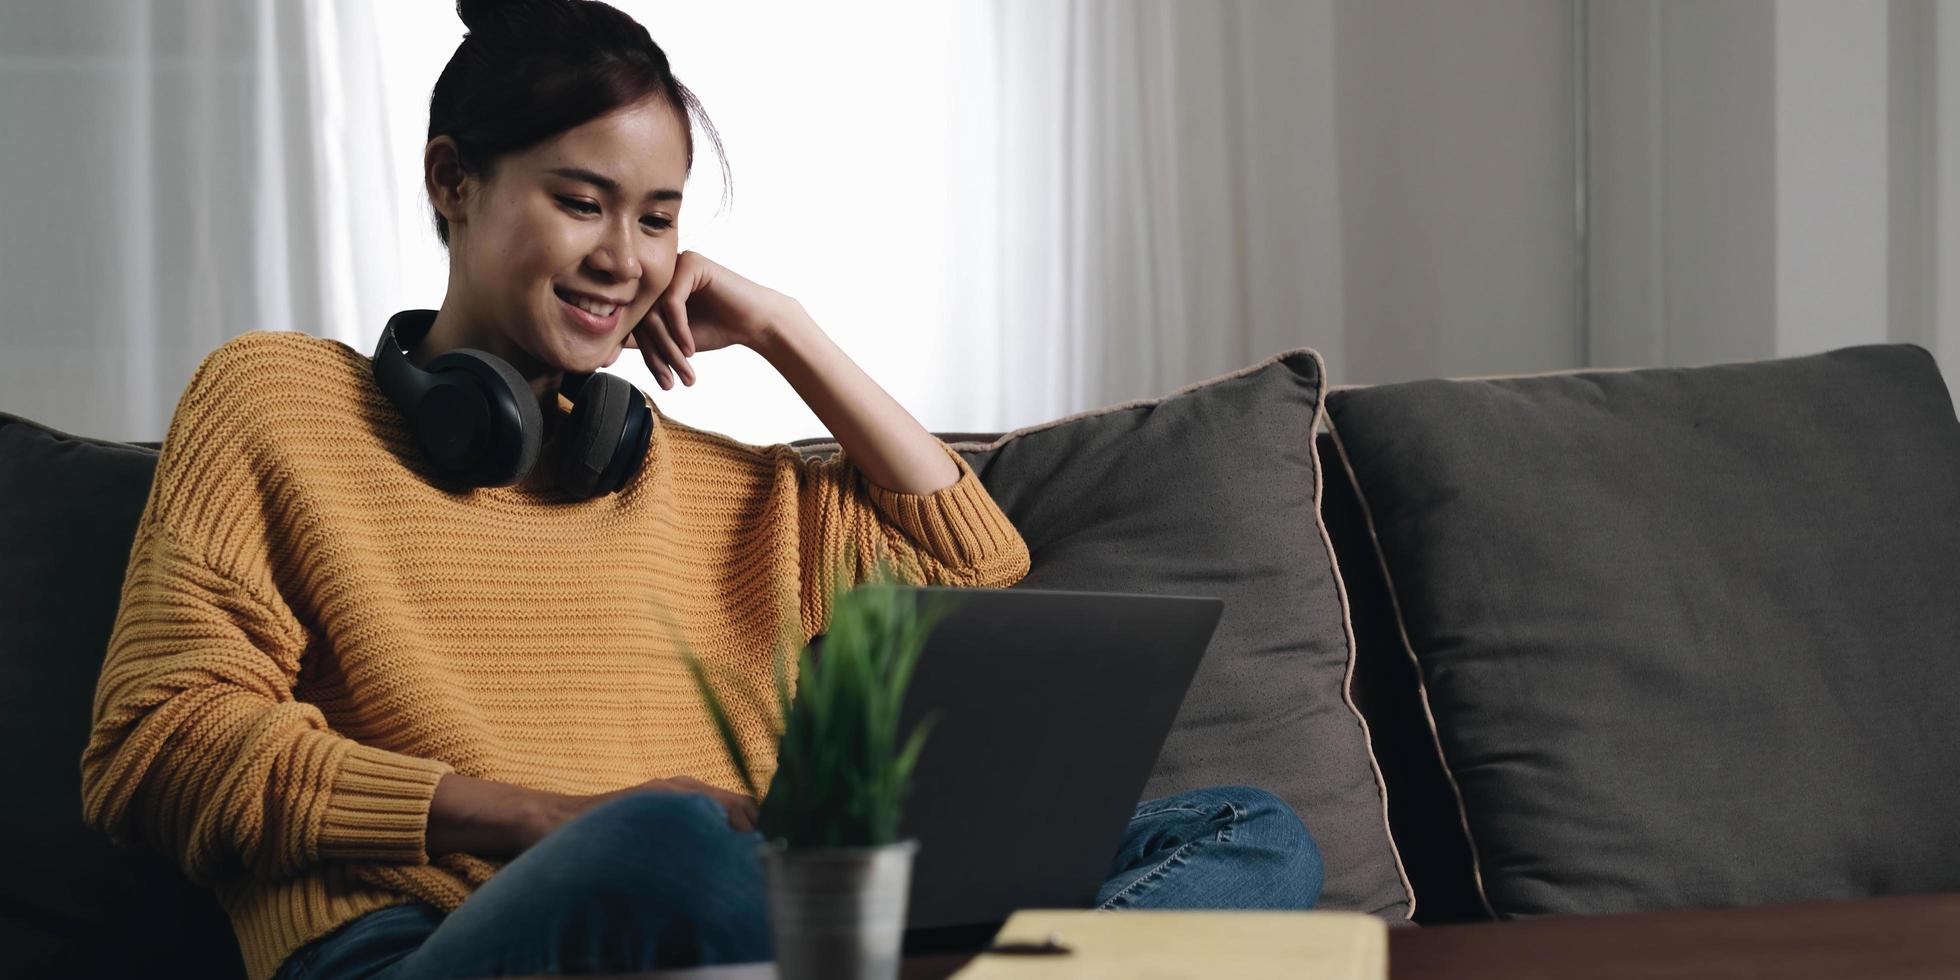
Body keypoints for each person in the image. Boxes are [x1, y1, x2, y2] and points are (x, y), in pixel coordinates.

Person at [77, 2, 1323, 978]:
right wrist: (539, 817)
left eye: (659, 218)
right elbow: (155, 747)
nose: (624, 257)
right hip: (419, 943)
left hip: (740, 930)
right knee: (662, 842)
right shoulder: (277, 402)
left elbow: (974, 565)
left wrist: (787, 331)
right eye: (582, 202)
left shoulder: (710, 486)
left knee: (1249, 831)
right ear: (452, 181)